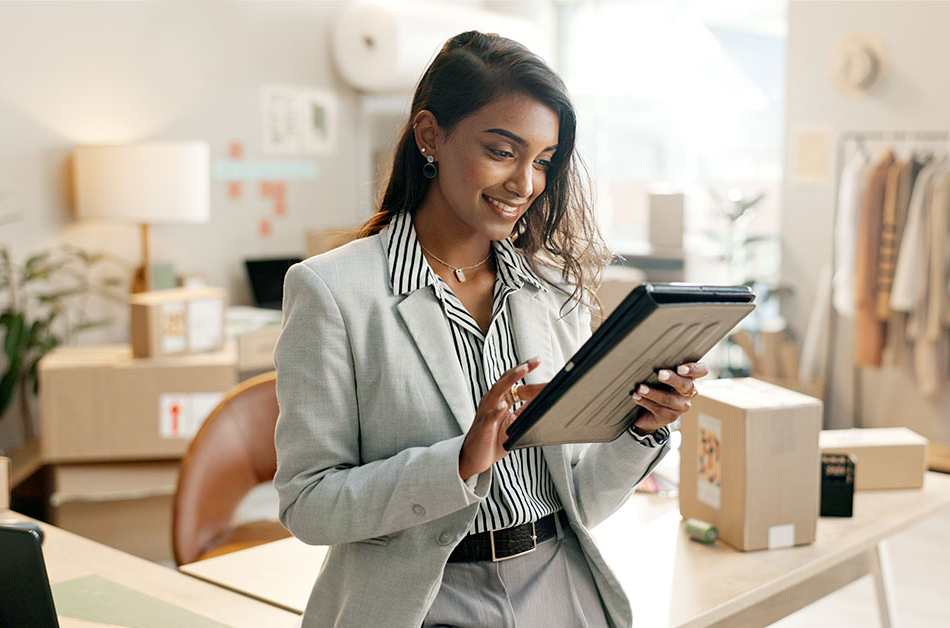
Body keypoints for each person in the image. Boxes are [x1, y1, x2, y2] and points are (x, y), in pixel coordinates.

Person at [274, 30, 707, 628]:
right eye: (503, 151)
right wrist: (458, 461)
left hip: (560, 586)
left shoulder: (553, 291)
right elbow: (308, 504)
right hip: (422, 602)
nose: (525, 184)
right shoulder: (332, 292)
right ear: (430, 136)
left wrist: (641, 430)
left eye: (543, 162)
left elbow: (579, 500)